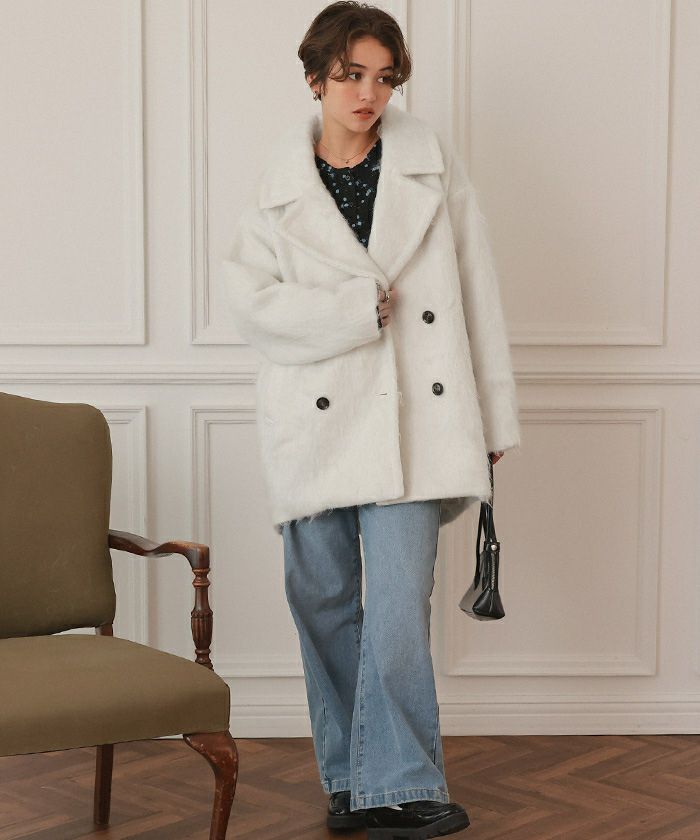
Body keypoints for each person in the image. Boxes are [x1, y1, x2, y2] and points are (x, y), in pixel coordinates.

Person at [220, 3, 520, 836]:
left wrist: (493, 416)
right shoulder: (278, 187)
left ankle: (406, 781)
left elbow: (479, 291)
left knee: (394, 618)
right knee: (323, 606)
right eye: (351, 74)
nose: (369, 93)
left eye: (384, 77)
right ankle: (355, 781)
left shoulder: (430, 167)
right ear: (315, 77)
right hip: (311, 425)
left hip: (418, 420)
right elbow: (251, 305)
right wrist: (351, 311)